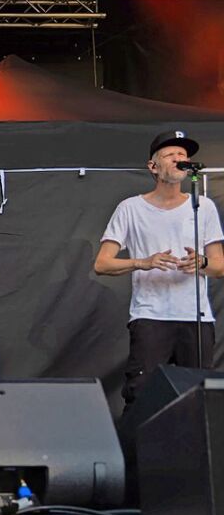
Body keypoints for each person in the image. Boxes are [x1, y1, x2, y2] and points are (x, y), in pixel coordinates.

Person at [94, 130, 223, 409]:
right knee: (143, 396)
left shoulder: (203, 206)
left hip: (196, 319)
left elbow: (219, 265)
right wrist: (143, 262)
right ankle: (137, 453)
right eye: (171, 154)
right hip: (151, 316)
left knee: (199, 398)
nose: (179, 158)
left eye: (183, 155)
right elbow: (102, 263)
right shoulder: (130, 208)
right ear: (153, 166)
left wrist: (200, 263)